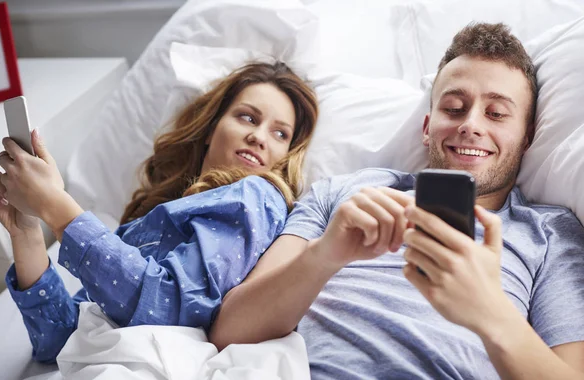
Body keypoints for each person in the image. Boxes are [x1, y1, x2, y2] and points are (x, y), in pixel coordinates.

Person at [209, 23, 584, 379]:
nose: (471, 124)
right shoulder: (342, 192)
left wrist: (491, 313)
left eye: (497, 113)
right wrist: (324, 256)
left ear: (527, 136)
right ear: (426, 127)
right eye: (453, 108)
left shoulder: (550, 235)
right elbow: (230, 331)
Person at [0, 62, 318, 363]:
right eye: (248, 116)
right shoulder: (155, 218)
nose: (259, 137)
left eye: (280, 133)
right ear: (211, 128)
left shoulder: (257, 195)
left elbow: (170, 306)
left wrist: (58, 209)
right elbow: (59, 340)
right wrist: (26, 232)